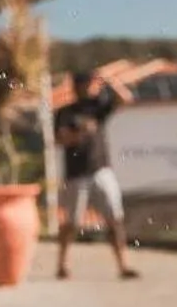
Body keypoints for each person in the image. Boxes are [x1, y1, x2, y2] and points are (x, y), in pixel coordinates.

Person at [52, 71, 138, 281]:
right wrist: (79, 133)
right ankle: (63, 263)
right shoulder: (65, 112)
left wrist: (110, 80)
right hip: (76, 174)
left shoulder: (97, 107)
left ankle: (123, 264)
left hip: (101, 170)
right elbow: (59, 140)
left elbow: (126, 99)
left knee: (114, 218)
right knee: (72, 222)